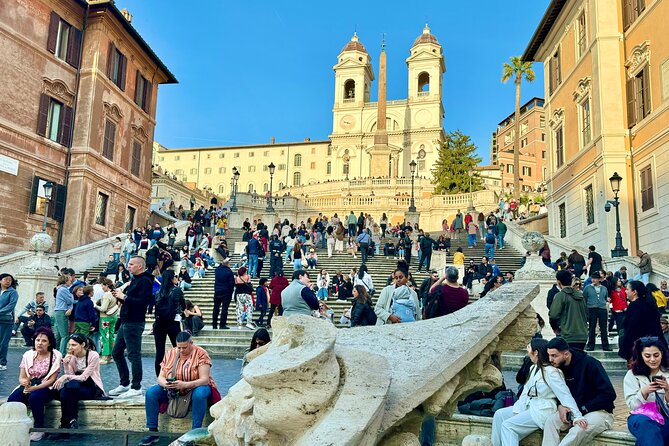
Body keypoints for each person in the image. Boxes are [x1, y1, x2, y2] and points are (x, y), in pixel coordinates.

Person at [491, 338, 585, 446]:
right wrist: (518, 409)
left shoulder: (551, 372)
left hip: (543, 410)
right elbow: (525, 393)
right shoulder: (533, 368)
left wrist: (577, 416)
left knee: (508, 426)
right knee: (499, 415)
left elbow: (564, 394)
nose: (527, 351)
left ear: (535, 353)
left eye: (529, 348)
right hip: (530, 406)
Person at [139, 331, 220, 446]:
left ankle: (194, 433)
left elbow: (204, 380)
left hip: (196, 387)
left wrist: (185, 385)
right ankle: (152, 432)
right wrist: (165, 384)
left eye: (184, 347)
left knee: (200, 393)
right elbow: (160, 377)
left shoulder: (201, 353)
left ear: (191, 343)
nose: (181, 350)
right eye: (179, 347)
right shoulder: (171, 353)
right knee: (151, 393)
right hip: (174, 388)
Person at [543, 337, 616, 446]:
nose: (550, 359)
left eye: (554, 356)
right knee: (550, 422)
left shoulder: (590, 364)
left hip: (599, 412)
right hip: (574, 411)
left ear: (566, 354)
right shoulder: (558, 367)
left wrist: (583, 409)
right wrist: (560, 406)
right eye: (549, 355)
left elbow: (609, 394)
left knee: (579, 429)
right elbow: (561, 392)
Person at [7, 327, 62, 441]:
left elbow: (52, 380)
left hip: (47, 386)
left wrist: (34, 389)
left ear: (49, 343)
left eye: (44, 341)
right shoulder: (28, 355)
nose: (40, 343)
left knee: (35, 398)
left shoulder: (55, 356)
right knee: (13, 398)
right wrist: (25, 383)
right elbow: (22, 377)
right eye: (37, 340)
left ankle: (39, 429)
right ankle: (18, 425)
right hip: (30, 384)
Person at [109, 256, 152, 398]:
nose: (128, 266)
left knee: (134, 354)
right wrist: (120, 296)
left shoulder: (145, 281)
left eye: (131, 264)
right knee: (116, 352)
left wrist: (124, 297)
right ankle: (125, 383)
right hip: (126, 321)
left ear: (140, 266)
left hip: (134, 322)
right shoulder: (135, 280)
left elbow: (142, 302)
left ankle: (136, 386)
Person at [53, 333, 105, 430]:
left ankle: (64, 424)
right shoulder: (72, 357)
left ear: (83, 345)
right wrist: (66, 364)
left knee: (65, 392)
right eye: (69, 345)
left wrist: (64, 377)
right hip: (75, 387)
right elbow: (70, 375)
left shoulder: (93, 355)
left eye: (74, 345)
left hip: (89, 387)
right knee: (68, 390)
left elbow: (84, 377)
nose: (70, 348)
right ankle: (72, 421)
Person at [624, 336, 669, 445]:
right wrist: (643, 392)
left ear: (662, 354)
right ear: (641, 356)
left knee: (654, 434)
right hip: (640, 417)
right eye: (647, 356)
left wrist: (667, 390)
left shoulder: (667, 372)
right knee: (647, 427)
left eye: (656, 355)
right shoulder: (632, 374)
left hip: (665, 416)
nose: (652, 359)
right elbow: (632, 406)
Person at [620, 280, 667, 360]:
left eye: (627, 289)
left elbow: (632, 328)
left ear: (634, 292)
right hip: (653, 343)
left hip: (639, 346)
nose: (625, 291)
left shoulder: (635, 306)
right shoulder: (649, 304)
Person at [153, 270, 185, 377]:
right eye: (175, 276)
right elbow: (183, 306)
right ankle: (179, 374)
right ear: (172, 278)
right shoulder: (177, 290)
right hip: (172, 323)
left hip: (159, 323)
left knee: (159, 352)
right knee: (179, 349)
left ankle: (159, 377)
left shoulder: (158, 292)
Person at [549, 270, 588, 350]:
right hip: (582, 335)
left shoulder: (560, 296)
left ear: (558, 282)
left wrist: (555, 328)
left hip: (568, 335)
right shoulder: (581, 296)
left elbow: (553, 315)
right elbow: (587, 314)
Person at [582, 272, 611, 351]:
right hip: (592, 308)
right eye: (593, 278)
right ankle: (591, 345)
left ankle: (605, 345)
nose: (593, 280)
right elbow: (584, 298)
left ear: (599, 279)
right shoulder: (587, 288)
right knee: (592, 327)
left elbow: (605, 298)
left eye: (595, 278)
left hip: (602, 308)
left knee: (603, 327)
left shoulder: (604, 288)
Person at [94, 278, 119, 364]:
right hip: (113, 317)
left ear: (106, 285)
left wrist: (95, 306)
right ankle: (111, 355)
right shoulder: (114, 293)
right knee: (111, 336)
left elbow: (103, 308)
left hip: (105, 318)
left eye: (103, 286)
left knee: (105, 337)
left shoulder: (106, 295)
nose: (102, 288)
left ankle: (105, 356)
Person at [53, 274, 75, 355]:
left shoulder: (59, 289)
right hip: (62, 311)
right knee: (65, 335)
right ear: (65, 281)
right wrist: (72, 296)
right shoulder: (64, 289)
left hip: (58, 311)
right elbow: (70, 301)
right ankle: (62, 353)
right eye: (69, 280)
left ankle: (56, 351)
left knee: (58, 334)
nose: (71, 282)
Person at [213, 258, 235, 330]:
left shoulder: (217, 270)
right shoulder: (229, 271)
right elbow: (232, 284)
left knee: (216, 308)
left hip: (217, 291)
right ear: (228, 264)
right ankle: (222, 325)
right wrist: (231, 292)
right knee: (224, 309)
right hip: (226, 292)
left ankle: (214, 324)